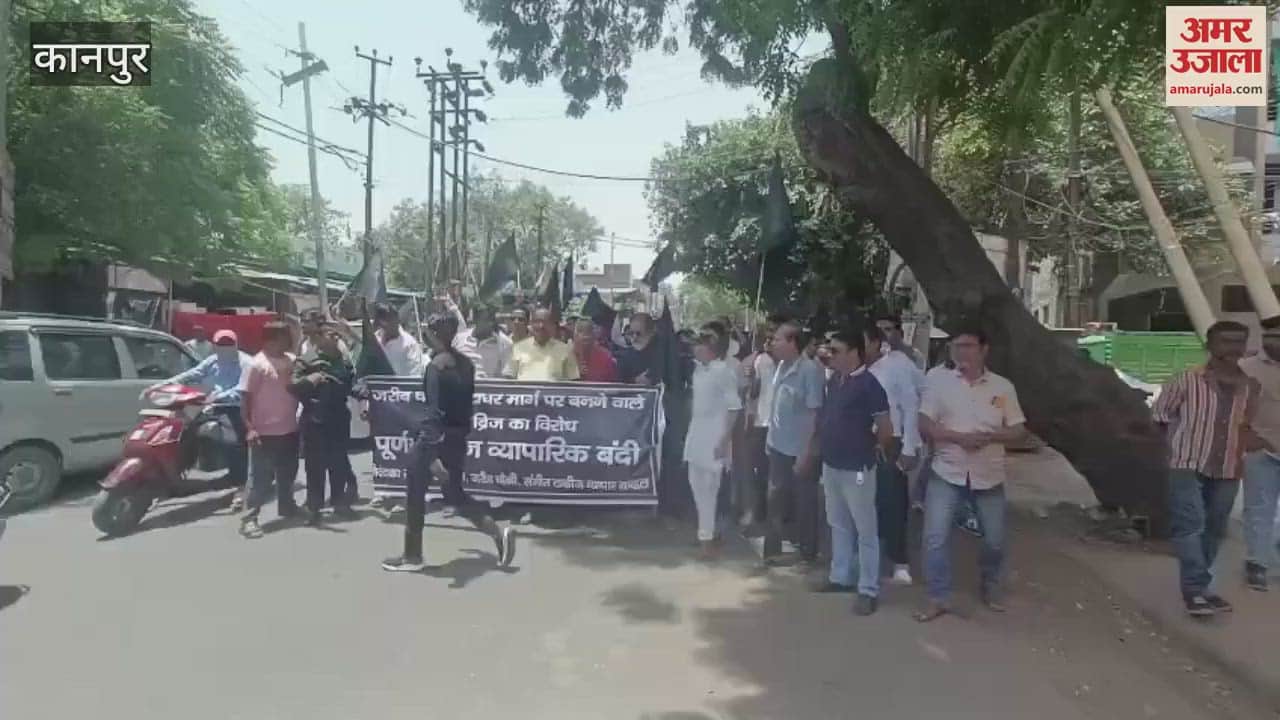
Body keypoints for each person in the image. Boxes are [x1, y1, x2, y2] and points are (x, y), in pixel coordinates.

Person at [383, 312, 516, 571]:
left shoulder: (435, 367)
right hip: (458, 437)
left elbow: (434, 413)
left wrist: (431, 456)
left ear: (432, 333)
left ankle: (412, 557)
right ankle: (497, 532)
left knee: (414, 494)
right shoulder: (466, 364)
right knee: (454, 494)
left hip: (433, 440)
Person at [915, 325, 1026, 622]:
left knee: (995, 540)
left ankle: (989, 585)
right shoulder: (938, 382)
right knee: (935, 538)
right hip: (946, 473)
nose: (960, 352)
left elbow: (1018, 430)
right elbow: (924, 424)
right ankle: (938, 597)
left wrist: (991, 437)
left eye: (967, 346)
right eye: (956, 346)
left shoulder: (1002, 388)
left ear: (983, 349)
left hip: (988, 476)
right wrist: (957, 438)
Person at [1153, 320, 1261, 615]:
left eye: (1238, 341)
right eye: (1225, 341)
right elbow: (1160, 417)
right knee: (1190, 525)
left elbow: (1249, 425)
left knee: (1214, 529)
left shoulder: (1250, 387)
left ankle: (1201, 587)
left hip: (1228, 466)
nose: (1232, 348)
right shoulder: (1186, 380)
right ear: (1210, 345)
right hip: (1186, 463)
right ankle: (1196, 591)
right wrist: (1168, 453)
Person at [803, 330, 893, 615]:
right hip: (832, 464)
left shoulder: (870, 384)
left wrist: (876, 448)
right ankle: (840, 577)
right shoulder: (835, 381)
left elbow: (886, 426)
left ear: (854, 352)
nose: (831, 355)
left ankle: (868, 589)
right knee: (838, 523)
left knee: (865, 529)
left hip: (858, 467)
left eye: (837, 351)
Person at [144, 329, 251, 494]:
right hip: (213, 405)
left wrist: (218, 397)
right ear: (214, 346)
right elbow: (190, 375)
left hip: (237, 407)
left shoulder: (246, 362)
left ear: (236, 344)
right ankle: (178, 475)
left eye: (228, 344)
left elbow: (242, 389)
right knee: (184, 431)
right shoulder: (212, 361)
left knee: (233, 441)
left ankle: (239, 481)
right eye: (221, 344)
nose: (225, 347)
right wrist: (161, 385)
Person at [762, 321, 825, 563]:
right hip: (778, 445)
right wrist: (769, 438)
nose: (772, 343)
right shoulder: (779, 366)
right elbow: (776, 404)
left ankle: (808, 553)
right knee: (775, 499)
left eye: (777, 339)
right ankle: (772, 551)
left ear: (792, 343)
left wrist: (806, 451)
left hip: (801, 449)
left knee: (804, 502)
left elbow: (813, 414)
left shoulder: (811, 371)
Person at [864, 324, 922, 586]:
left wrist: (910, 447)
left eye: (863, 342)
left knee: (894, 503)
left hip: (893, 442)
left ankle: (900, 562)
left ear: (876, 342)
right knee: (868, 504)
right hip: (864, 442)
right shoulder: (856, 370)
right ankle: (871, 559)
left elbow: (910, 405)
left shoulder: (896, 364)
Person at [239, 322, 303, 538]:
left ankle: (287, 506)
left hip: (289, 429)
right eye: (286, 337)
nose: (290, 342)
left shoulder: (291, 361)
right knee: (259, 478)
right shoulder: (256, 365)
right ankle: (249, 519)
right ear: (272, 339)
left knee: (288, 473)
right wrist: (249, 428)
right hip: (263, 432)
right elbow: (245, 399)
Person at [684, 324, 743, 559]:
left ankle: (708, 538)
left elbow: (734, 407)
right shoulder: (699, 370)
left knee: (709, 487)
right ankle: (705, 533)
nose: (695, 349)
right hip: (697, 432)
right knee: (696, 485)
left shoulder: (722, 371)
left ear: (711, 349)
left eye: (700, 345)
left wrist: (724, 439)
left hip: (714, 435)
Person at [289, 322, 357, 524]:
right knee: (315, 467)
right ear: (319, 338)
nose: (336, 339)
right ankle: (314, 508)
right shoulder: (307, 359)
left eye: (338, 336)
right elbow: (292, 385)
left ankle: (339, 503)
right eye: (331, 335)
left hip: (338, 417)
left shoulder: (343, 360)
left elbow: (350, 382)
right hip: (315, 418)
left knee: (338, 464)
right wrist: (313, 378)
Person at [1240, 325, 1280, 592]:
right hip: (1261, 451)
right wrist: (1246, 436)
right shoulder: (1245, 368)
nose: (1274, 341)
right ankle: (1257, 563)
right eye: (1270, 336)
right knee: (1258, 509)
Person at [741, 321, 776, 526]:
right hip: (763, 421)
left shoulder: (782, 362)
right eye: (767, 338)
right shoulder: (761, 360)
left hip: (777, 422)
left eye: (773, 338)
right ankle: (761, 511)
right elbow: (754, 392)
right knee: (762, 470)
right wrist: (752, 378)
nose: (769, 342)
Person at [508, 308, 580, 381]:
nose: (541, 326)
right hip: (525, 392)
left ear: (552, 325)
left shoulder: (565, 350)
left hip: (554, 392)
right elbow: (508, 377)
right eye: (537, 322)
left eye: (545, 322)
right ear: (531, 324)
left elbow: (574, 380)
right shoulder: (519, 348)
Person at [374, 302, 425, 377]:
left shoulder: (410, 344)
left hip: (401, 386)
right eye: (385, 320)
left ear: (397, 319)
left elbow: (415, 375)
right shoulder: (375, 338)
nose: (390, 324)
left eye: (392, 319)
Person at [471, 305, 513, 379]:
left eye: (492, 319)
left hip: (488, 388)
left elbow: (507, 377)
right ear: (475, 320)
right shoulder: (460, 338)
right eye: (486, 320)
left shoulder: (505, 343)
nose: (491, 323)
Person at [618, 312, 659, 385]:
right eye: (631, 333)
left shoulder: (663, 355)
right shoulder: (624, 357)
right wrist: (635, 381)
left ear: (650, 332)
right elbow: (619, 387)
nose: (634, 337)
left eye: (638, 333)